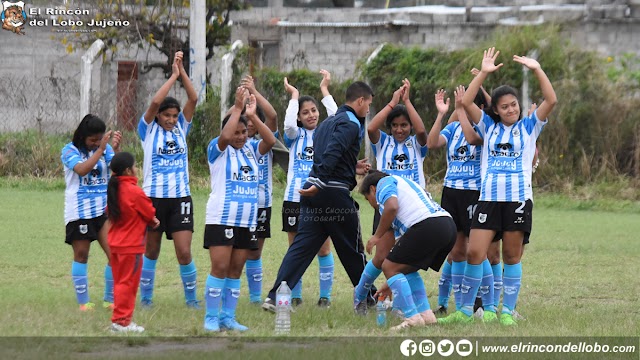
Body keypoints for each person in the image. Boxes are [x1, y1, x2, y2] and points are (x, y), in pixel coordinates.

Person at [439, 47, 557, 326]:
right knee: (475, 252)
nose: (511, 109)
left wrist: (537, 69)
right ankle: (466, 311)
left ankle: (506, 312)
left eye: (513, 105)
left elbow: (551, 99)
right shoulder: (488, 126)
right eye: (504, 107)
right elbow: (467, 101)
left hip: (517, 200)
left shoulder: (529, 126)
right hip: (488, 199)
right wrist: (483, 72)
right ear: (496, 110)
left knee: (511, 256)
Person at [262, 81, 375, 312]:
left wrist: (350, 166)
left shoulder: (327, 123)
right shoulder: (350, 124)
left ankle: (275, 298)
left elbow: (328, 154)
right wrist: (320, 181)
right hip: (331, 193)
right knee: (352, 250)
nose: (368, 111)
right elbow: (333, 151)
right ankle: (371, 298)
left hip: (314, 194)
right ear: (360, 101)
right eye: (369, 105)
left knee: (301, 248)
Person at [203, 88, 276, 332]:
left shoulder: (251, 150)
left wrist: (253, 116)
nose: (241, 137)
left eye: (244, 132)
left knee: (235, 270)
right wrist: (236, 108)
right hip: (222, 219)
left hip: (246, 221)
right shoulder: (217, 149)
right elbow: (225, 135)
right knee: (220, 268)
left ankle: (228, 317)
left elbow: (271, 141)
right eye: (237, 132)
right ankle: (211, 317)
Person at [353, 79, 428, 315]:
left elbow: (423, 131)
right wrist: (392, 102)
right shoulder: (383, 143)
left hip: (412, 211)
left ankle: (398, 303)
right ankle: (360, 296)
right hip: (386, 207)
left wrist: (406, 102)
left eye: (404, 125)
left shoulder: (417, 145)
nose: (399, 129)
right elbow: (372, 128)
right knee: (382, 256)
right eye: (394, 125)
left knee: (403, 258)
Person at [137, 51, 200, 309]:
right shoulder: (147, 130)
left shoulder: (181, 128)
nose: (171, 119)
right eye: (167, 115)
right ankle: (146, 299)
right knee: (151, 251)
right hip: (152, 199)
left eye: (174, 116)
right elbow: (153, 103)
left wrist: (182, 72)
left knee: (184, 252)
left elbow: (194, 97)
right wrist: (171, 76)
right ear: (159, 116)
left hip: (180, 199)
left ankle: (191, 300)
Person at [361, 170, 456, 330]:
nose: (371, 203)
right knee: (405, 268)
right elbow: (401, 257)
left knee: (388, 266)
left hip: (428, 225)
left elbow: (391, 206)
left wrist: (377, 236)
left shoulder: (385, 183)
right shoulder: (406, 187)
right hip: (447, 226)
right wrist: (390, 283)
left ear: (372, 189)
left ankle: (412, 317)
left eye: (367, 198)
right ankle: (427, 316)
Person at [281, 70, 337, 307]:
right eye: (305, 112)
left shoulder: (328, 132)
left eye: (313, 110)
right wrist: (294, 96)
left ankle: (325, 296)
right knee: (296, 249)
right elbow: (287, 123)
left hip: (321, 199)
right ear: (299, 117)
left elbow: (335, 115)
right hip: (294, 199)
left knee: (323, 249)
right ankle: (295, 296)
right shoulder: (294, 136)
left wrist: (325, 90)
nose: (311, 115)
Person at [427, 86, 484, 317]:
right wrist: (441, 114)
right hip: (451, 192)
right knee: (457, 250)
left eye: (469, 103)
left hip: (474, 193)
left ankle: (478, 301)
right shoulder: (452, 128)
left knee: (474, 250)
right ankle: (461, 306)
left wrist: (461, 108)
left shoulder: (482, 128)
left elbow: (472, 138)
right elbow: (431, 144)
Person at [61, 114, 121, 311]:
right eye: (92, 140)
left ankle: (109, 299)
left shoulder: (106, 149)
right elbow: (82, 170)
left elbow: (116, 170)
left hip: (102, 211)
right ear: (82, 136)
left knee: (115, 253)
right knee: (81, 255)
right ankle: (83, 303)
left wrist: (116, 149)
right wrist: (102, 149)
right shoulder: (69, 151)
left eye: (99, 139)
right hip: (79, 212)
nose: (96, 143)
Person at [237, 75, 279, 305]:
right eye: (246, 121)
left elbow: (272, 116)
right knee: (236, 251)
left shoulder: (264, 142)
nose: (250, 124)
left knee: (255, 252)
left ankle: (254, 298)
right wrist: (239, 104)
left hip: (262, 205)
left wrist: (254, 91)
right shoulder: (236, 142)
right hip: (240, 204)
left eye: (253, 120)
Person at [106, 152, 159, 333]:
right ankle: (122, 321)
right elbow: (149, 210)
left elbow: (110, 211)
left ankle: (119, 320)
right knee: (128, 284)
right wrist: (152, 220)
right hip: (131, 247)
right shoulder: (135, 191)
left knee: (120, 282)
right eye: (135, 166)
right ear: (128, 170)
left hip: (115, 245)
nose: (137, 169)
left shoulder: (114, 189)